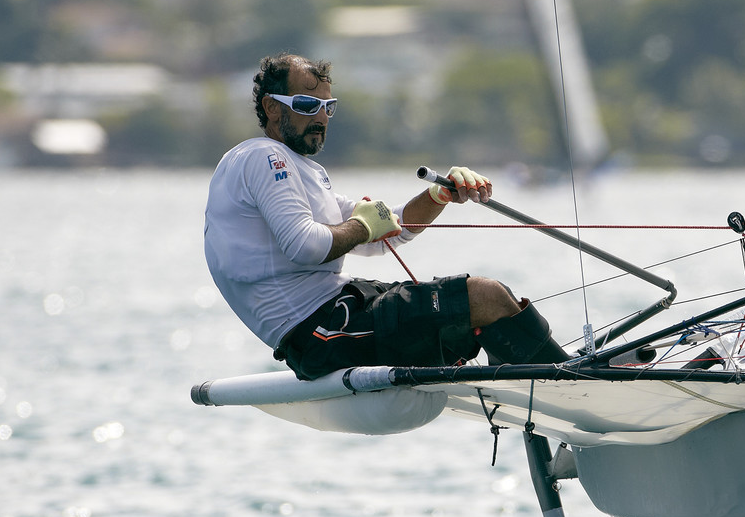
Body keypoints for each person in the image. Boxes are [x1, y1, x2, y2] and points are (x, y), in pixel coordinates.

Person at [204, 52, 567, 380]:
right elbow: (306, 246)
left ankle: (548, 378)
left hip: (342, 312)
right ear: (271, 107)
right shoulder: (264, 157)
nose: (319, 117)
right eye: (305, 104)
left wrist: (439, 195)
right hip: (322, 333)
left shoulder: (303, 171)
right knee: (483, 295)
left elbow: (389, 229)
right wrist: (364, 226)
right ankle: (567, 382)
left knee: (489, 299)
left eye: (327, 107)